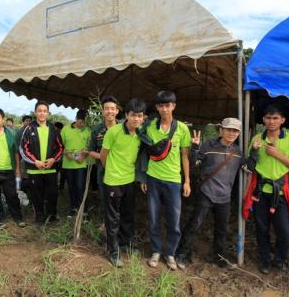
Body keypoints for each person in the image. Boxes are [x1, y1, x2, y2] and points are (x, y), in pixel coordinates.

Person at [175, 118, 243, 270]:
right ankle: (182, 254)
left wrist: (256, 153)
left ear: (238, 133)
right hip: (206, 192)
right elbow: (194, 163)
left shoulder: (238, 152)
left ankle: (218, 257)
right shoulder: (208, 146)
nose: (231, 133)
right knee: (194, 224)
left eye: (235, 130)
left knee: (222, 229)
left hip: (225, 196)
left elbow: (248, 167)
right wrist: (194, 147)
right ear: (221, 130)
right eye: (228, 129)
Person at [245, 104, 289, 274]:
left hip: (281, 192)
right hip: (260, 192)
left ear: (282, 120)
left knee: (285, 232)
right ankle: (265, 260)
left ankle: (279, 259)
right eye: (268, 118)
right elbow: (250, 166)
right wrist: (254, 152)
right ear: (263, 119)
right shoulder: (257, 138)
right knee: (261, 228)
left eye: (275, 118)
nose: (271, 121)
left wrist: (277, 154)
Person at [138, 91, 191, 270]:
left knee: (174, 219)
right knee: (153, 217)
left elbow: (185, 156)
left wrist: (187, 181)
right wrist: (143, 177)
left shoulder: (182, 129)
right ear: (157, 107)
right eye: (161, 105)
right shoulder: (150, 126)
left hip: (173, 180)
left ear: (174, 106)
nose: (164, 109)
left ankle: (170, 253)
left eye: (167, 105)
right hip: (153, 178)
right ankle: (156, 250)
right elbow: (144, 151)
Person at [100, 99, 146, 267]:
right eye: (133, 115)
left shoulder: (141, 133)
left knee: (128, 215)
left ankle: (126, 244)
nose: (136, 119)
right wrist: (111, 170)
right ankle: (113, 251)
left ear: (143, 118)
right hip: (113, 181)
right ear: (126, 115)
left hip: (130, 180)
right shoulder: (113, 132)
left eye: (139, 116)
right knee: (113, 218)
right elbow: (103, 155)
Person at [20, 101, 63, 227]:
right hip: (34, 170)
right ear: (35, 112)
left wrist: (53, 160)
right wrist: (35, 161)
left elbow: (60, 148)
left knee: (52, 194)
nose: (42, 113)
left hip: (51, 169)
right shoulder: (29, 129)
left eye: (44, 111)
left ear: (48, 113)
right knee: (37, 195)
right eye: (39, 110)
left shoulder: (53, 129)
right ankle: (39, 218)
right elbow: (23, 148)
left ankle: (52, 216)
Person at [89, 96, 120, 220]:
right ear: (102, 111)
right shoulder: (97, 130)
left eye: (112, 108)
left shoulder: (124, 128)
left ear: (117, 111)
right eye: (106, 109)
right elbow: (90, 151)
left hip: (121, 172)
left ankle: (119, 224)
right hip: (103, 171)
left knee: (120, 199)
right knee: (105, 198)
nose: (110, 111)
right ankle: (106, 223)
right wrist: (104, 156)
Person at [60, 109, 90, 217]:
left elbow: (89, 147)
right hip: (68, 165)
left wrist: (83, 155)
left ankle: (83, 210)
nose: (82, 124)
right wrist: (71, 155)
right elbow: (60, 146)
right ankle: (73, 208)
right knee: (71, 187)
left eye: (84, 122)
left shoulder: (87, 131)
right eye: (80, 122)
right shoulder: (65, 129)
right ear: (76, 119)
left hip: (81, 165)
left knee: (80, 187)